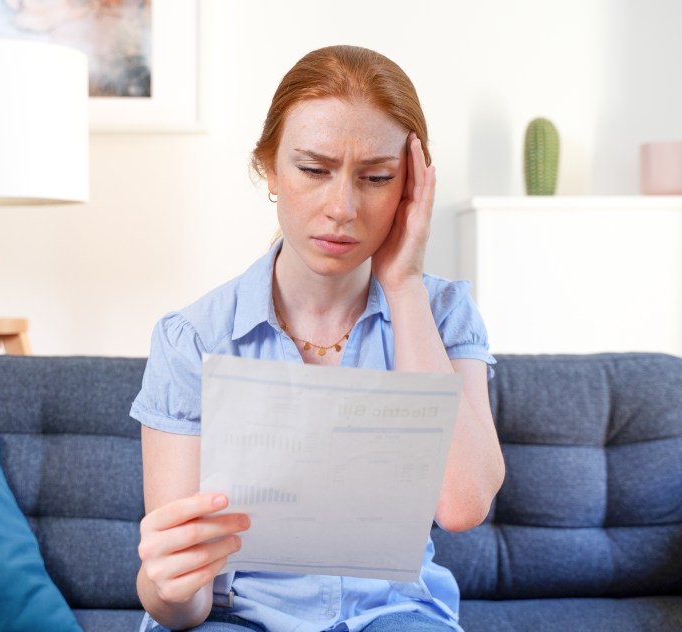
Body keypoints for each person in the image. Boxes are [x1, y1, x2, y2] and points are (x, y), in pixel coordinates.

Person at [130, 44, 505, 632]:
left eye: (377, 177)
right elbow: (183, 604)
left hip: (395, 615)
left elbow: (461, 505)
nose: (342, 207)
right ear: (270, 169)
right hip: (232, 617)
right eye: (313, 170)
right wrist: (166, 585)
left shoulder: (443, 313)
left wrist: (403, 285)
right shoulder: (192, 339)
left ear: (410, 187)